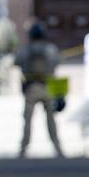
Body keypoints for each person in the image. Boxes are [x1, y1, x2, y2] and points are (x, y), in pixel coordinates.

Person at [17, 23, 65, 158]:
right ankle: (58, 148)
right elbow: (58, 62)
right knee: (51, 120)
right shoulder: (50, 49)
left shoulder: (26, 49)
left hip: (31, 87)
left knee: (27, 120)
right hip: (49, 86)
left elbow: (17, 61)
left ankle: (23, 149)